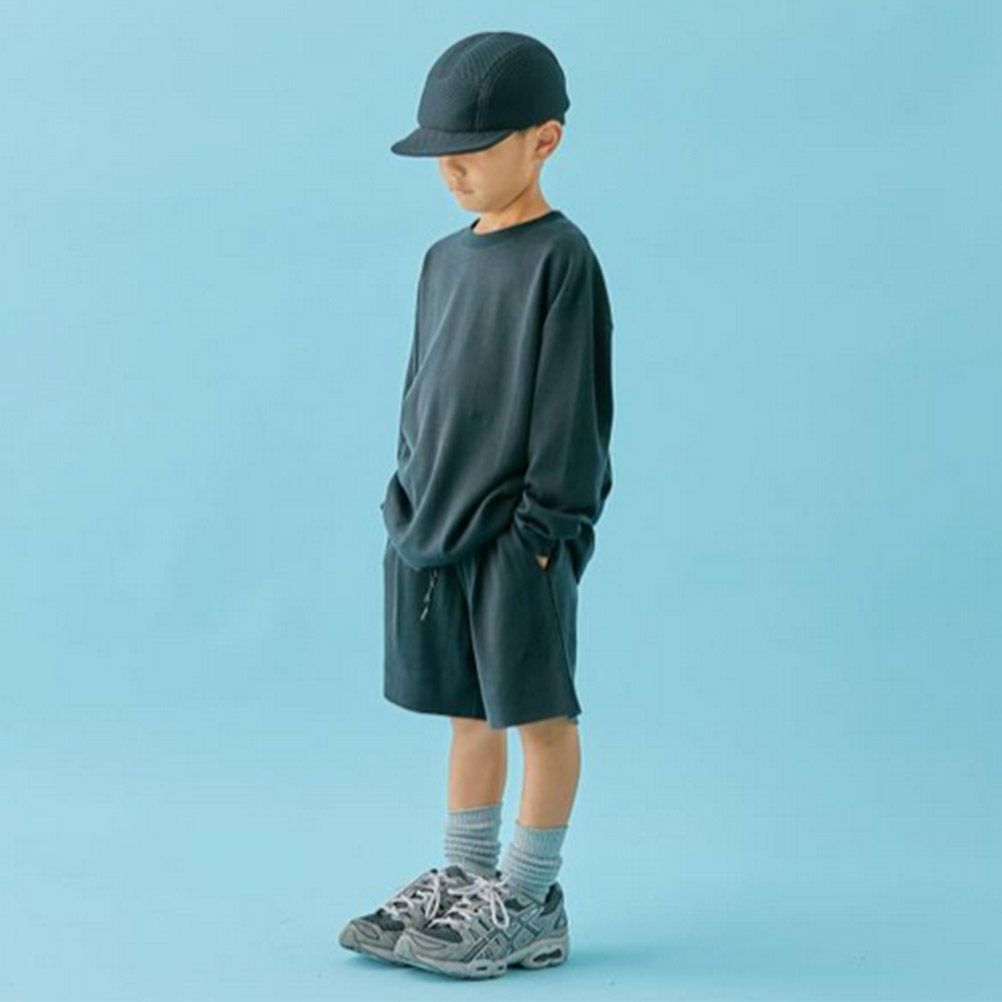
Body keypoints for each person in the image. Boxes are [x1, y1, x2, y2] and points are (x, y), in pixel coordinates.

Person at [338, 30, 614, 980]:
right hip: (432, 528)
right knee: (467, 711)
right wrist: (405, 499)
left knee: (540, 717)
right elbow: (423, 388)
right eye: (440, 154)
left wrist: (545, 532)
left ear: (544, 141)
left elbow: (573, 412)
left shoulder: (562, 259)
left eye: (474, 148)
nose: (451, 170)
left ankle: (529, 899)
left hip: (516, 539)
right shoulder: (442, 260)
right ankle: (464, 883)